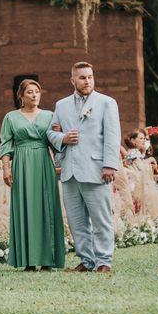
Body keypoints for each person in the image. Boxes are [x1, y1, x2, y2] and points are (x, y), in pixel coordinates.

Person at [47, 62, 121, 273]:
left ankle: (104, 262)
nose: (87, 81)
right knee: (76, 221)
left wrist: (109, 165)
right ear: (73, 80)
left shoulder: (107, 102)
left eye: (89, 77)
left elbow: (113, 137)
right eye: (82, 77)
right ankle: (86, 261)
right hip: (69, 172)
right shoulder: (61, 105)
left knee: (101, 220)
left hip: (98, 170)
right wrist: (63, 138)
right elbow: (51, 133)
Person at [0, 79, 65, 271]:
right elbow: (5, 144)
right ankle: (28, 259)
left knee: (47, 207)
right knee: (25, 208)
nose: (34, 95)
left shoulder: (50, 116)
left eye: (37, 91)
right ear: (21, 95)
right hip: (21, 164)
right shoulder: (11, 117)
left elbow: (57, 142)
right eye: (30, 92)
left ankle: (48, 260)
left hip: (44, 163)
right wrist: (6, 168)